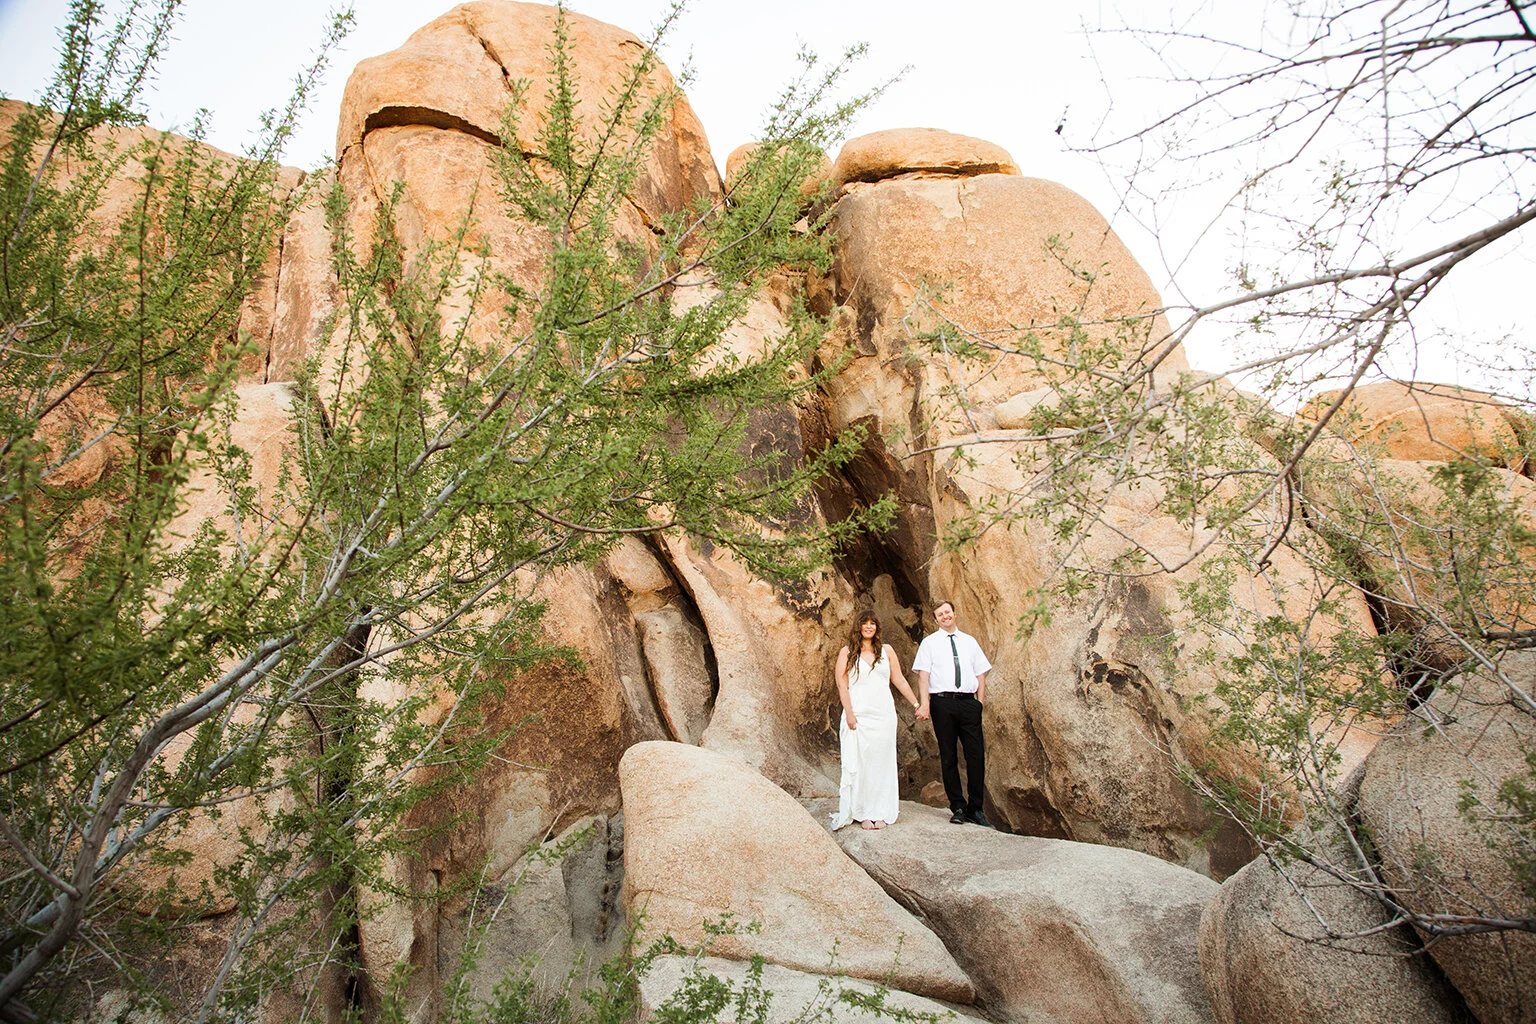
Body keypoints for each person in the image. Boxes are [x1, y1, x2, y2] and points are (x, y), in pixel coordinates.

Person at [830, 610, 926, 831]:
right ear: (859, 626)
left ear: (877, 628)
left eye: (873, 623)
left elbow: (899, 680)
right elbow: (842, 685)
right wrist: (850, 713)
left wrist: (916, 704)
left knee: (882, 764)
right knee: (862, 763)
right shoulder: (847, 652)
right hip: (859, 715)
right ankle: (863, 812)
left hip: (883, 715)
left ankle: (880, 811)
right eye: (865, 623)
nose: (869, 627)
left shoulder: (887, 651)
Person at [912, 600, 993, 826]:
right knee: (948, 756)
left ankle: (976, 809)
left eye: (947, 612)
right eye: (940, 614)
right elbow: (923, 676)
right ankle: (958, 806)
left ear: (954, 614)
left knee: (975, 756)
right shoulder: (929, 643)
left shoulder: (969, 642)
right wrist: (925, 704)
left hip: (969, 703)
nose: (945, 616)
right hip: (942, 703)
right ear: (936, 619)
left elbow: (981, 674)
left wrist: (980, 703)